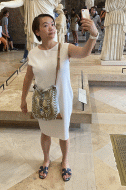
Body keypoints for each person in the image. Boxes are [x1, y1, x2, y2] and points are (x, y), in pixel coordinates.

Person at [20, 13, 98, 182]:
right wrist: (23, 99)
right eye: (46, 25)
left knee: (63, 133)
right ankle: (46, 159)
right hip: (43, 101)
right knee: (45, 132)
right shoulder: (33, 53)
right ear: (37, 31)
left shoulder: (65, 48)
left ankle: (65, 161)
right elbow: (27, 78)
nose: (51, 28)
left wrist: (94, 34)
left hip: (62, 99)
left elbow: (85, 53)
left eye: (53, 24)